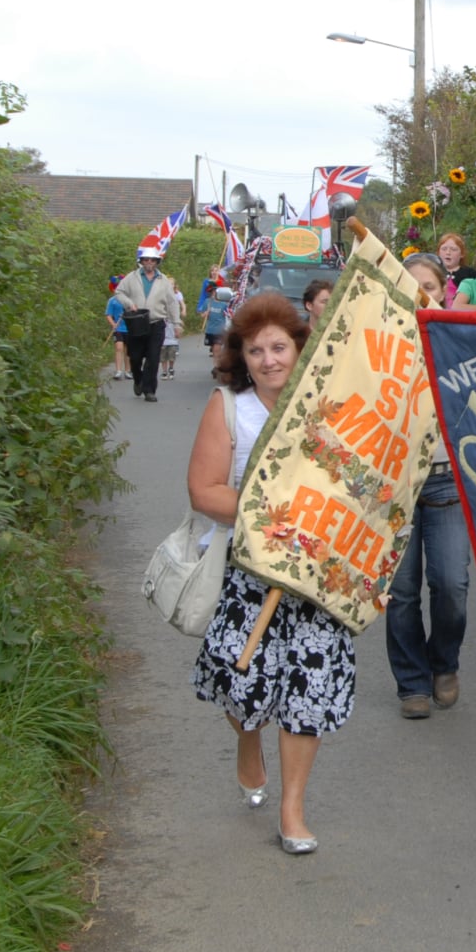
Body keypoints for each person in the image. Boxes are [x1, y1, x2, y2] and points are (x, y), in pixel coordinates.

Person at [187, 292, 351, 855]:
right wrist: (271, 517)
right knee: (242, 682)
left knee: (309, 688)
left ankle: (292, 809)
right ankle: (248, 740)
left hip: (317, 579)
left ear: (299, 347)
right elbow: (204, 491)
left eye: (279, 346)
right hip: (249, 571)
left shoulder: (330, 403)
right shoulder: (228, 407)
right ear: (242, 356)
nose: (269, 359)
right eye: (255, 350)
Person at [381, 255, 470, 721]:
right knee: (402, 591)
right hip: (392, 486)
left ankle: (445, 663)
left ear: (443, 291)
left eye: (430, 286)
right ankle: (411, 682)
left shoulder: (458, 343)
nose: (421, 293)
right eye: (411, 285)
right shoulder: (375, 347)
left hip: (447, 480)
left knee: (452, 584)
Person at [112, 246, 171, 402]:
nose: (149, 262)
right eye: (146, 259)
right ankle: (138, 379)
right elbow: (119, 292)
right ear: (142, 261)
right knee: (135, 357)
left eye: (152, 260)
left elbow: (172, 303)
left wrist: (177, 323)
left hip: (156, 322)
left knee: (153, 357)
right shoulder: (132, 277)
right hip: (137, 322)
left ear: (157, 262)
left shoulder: (163, 280)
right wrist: (129, 303)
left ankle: (149, 390)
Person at [161, 276, 186, 380]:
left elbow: (181, 304)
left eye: (172, 283)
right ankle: (164, 371)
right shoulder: (161, 296)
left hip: (172, 329)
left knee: (171, 354)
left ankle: (171, 368)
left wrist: (183, 312)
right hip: (163, 330)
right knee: (162, 355)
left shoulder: (177, 295)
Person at [105, 277, 129, 380]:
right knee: (118, 348)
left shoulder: (129, 299)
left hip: (129, 329)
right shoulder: (112, 301)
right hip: (118, 328)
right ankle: (118, 370)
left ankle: (128, 371)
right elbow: (108, 314)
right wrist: (113, 323)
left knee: (128, 351)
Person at [203, 285, 233, 364]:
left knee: (217, 349)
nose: (214, 293)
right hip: (210, 330)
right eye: (212, 292)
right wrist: (205, 314)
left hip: (219, 331)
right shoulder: (208, 302)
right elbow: (202, 315)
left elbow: (229, 315)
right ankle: (216, 364)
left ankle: (217, 367)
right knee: (214, 350)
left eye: (215, 292)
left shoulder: (224, 304)